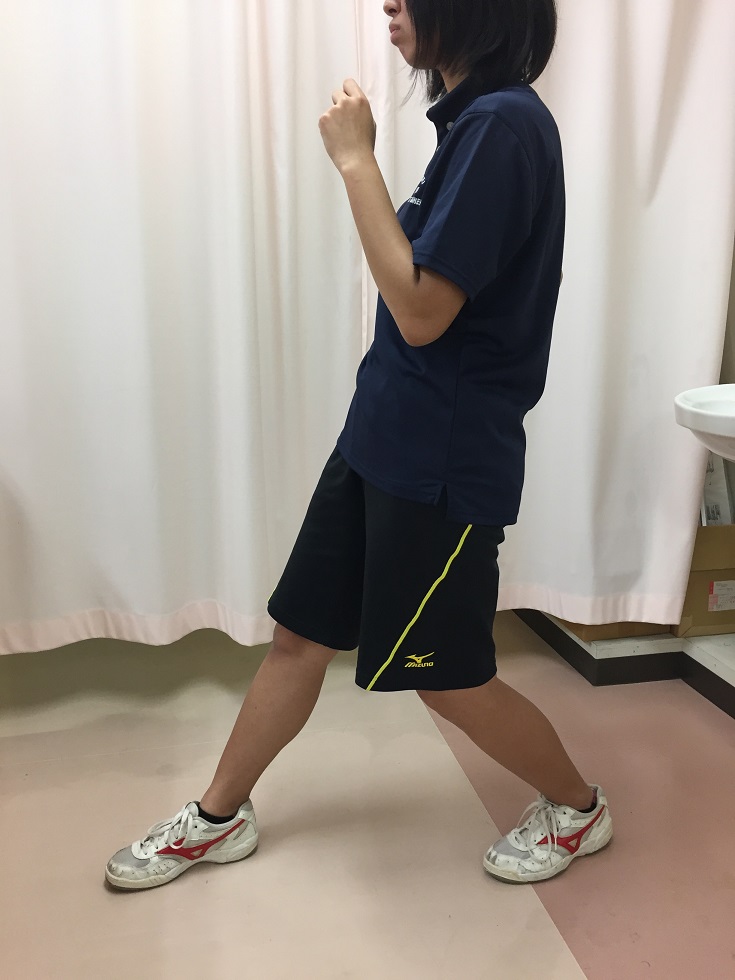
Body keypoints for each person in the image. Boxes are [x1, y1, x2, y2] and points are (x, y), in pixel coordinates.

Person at [106, 0, 612, 891]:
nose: (390, 3)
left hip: (440, 464)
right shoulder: (473, 123)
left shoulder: (502, 127)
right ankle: (217, 817)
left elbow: (419, 311)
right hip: (381, 435)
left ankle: (577, 808)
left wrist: (354, 160)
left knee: (444, 676)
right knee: (298, 636)